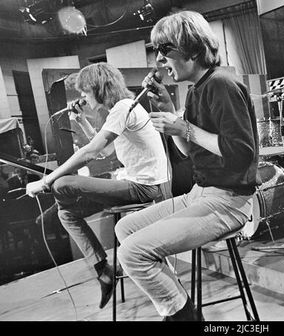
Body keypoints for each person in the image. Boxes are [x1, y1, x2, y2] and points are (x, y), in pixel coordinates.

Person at [114, 10, 260, 321]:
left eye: (165, 51)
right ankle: (183, 308)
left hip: (229, 201)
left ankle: (183, 317)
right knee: (124, 228)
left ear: (191, 48)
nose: (160, 61)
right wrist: (170, 111)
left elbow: (241, 154)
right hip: (202, 192)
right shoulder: (197, 88)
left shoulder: (221, 83)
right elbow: (188, 151)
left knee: (132, 253)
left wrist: (185, 129)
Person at [25, 62, 170, 309]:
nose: (82, 96)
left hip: (144, 188)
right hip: (136, 184)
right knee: (66, 213)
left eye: (85, 91)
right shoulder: (123, 108)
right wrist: (81, 121)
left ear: (99, 89)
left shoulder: (123, 108)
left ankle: (57, 193)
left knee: (62, 184)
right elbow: (105, 152)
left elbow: (92, 152)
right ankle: (104, 270)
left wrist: (46, 181)